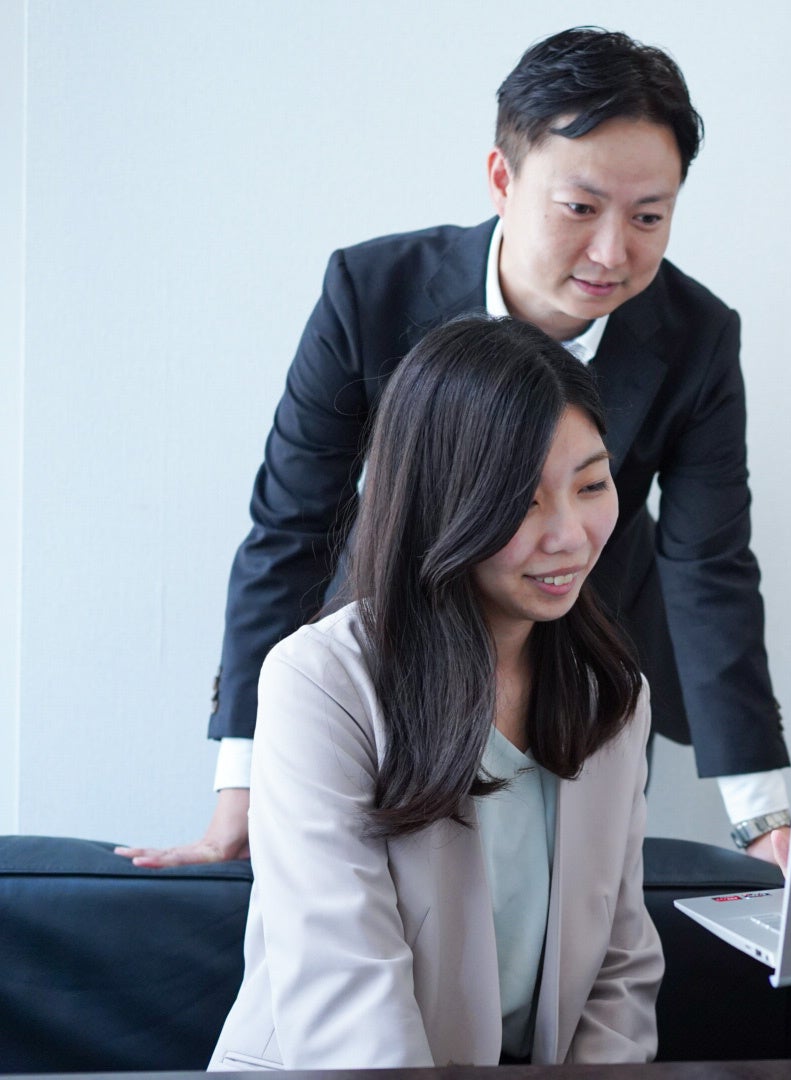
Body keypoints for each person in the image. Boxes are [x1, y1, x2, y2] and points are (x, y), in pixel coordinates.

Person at [116, 27, 791, 872]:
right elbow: (292, 526)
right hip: (387, 652)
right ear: (503, 179)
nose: (613, 252)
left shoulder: (697, 335)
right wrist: (244, 783)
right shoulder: (371, 291)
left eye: (649, 217)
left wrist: (765, 818)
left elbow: (709, 566)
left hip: (582, 676)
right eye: (580, 208)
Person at [208, 316, 660, 1069]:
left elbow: (620, 969)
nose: (571, 535)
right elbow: (348, 997)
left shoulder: (610, 696)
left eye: (591, 485)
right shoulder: (322, 683)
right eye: (523, 502)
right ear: (441, 504)